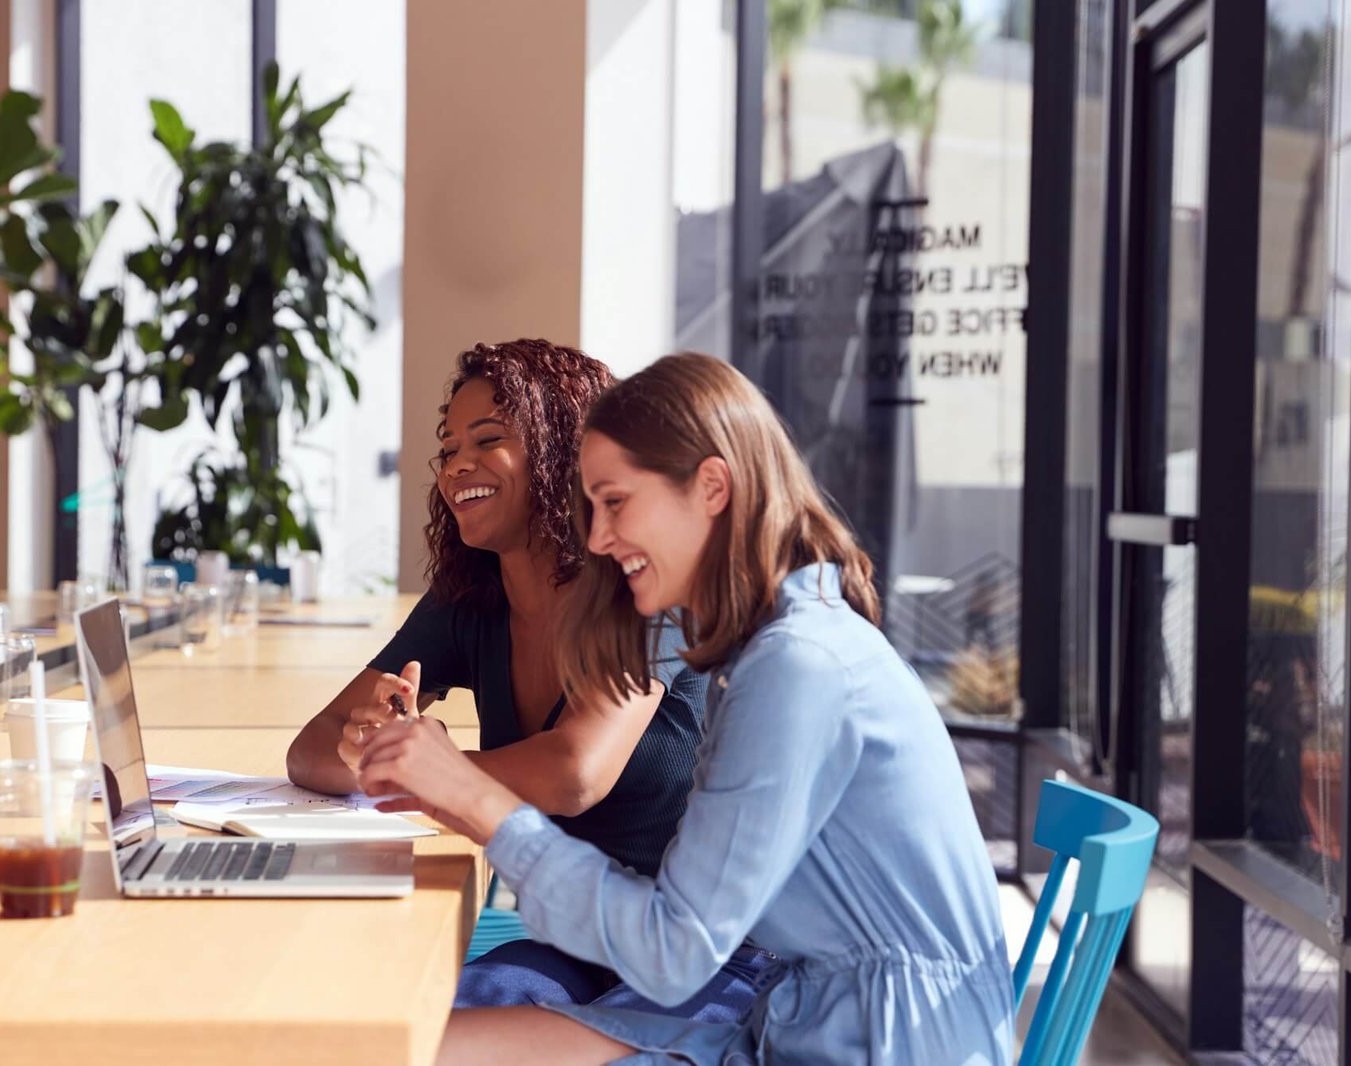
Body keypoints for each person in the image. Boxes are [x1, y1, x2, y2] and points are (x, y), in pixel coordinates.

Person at [346, 352, 1016, 1064]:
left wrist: (475, 798)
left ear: (711, 489)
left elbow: (675, 949)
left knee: (413, 1050)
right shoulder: (774, 644)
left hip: (872, 1046)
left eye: (616, 503)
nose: (598, 538)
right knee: (410, 1044)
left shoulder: (798, 665)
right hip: (796, 1020)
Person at [287, 339, 768, 1018]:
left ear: (564, 449)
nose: (458, 467)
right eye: (448, 448)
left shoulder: (642, 584)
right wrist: (374, 750)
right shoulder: (469, 596)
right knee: (393, 1009)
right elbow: (311, 750)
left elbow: (574, 772)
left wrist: (427, 768)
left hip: (705, 952)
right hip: (584, 937)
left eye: (488, 439)